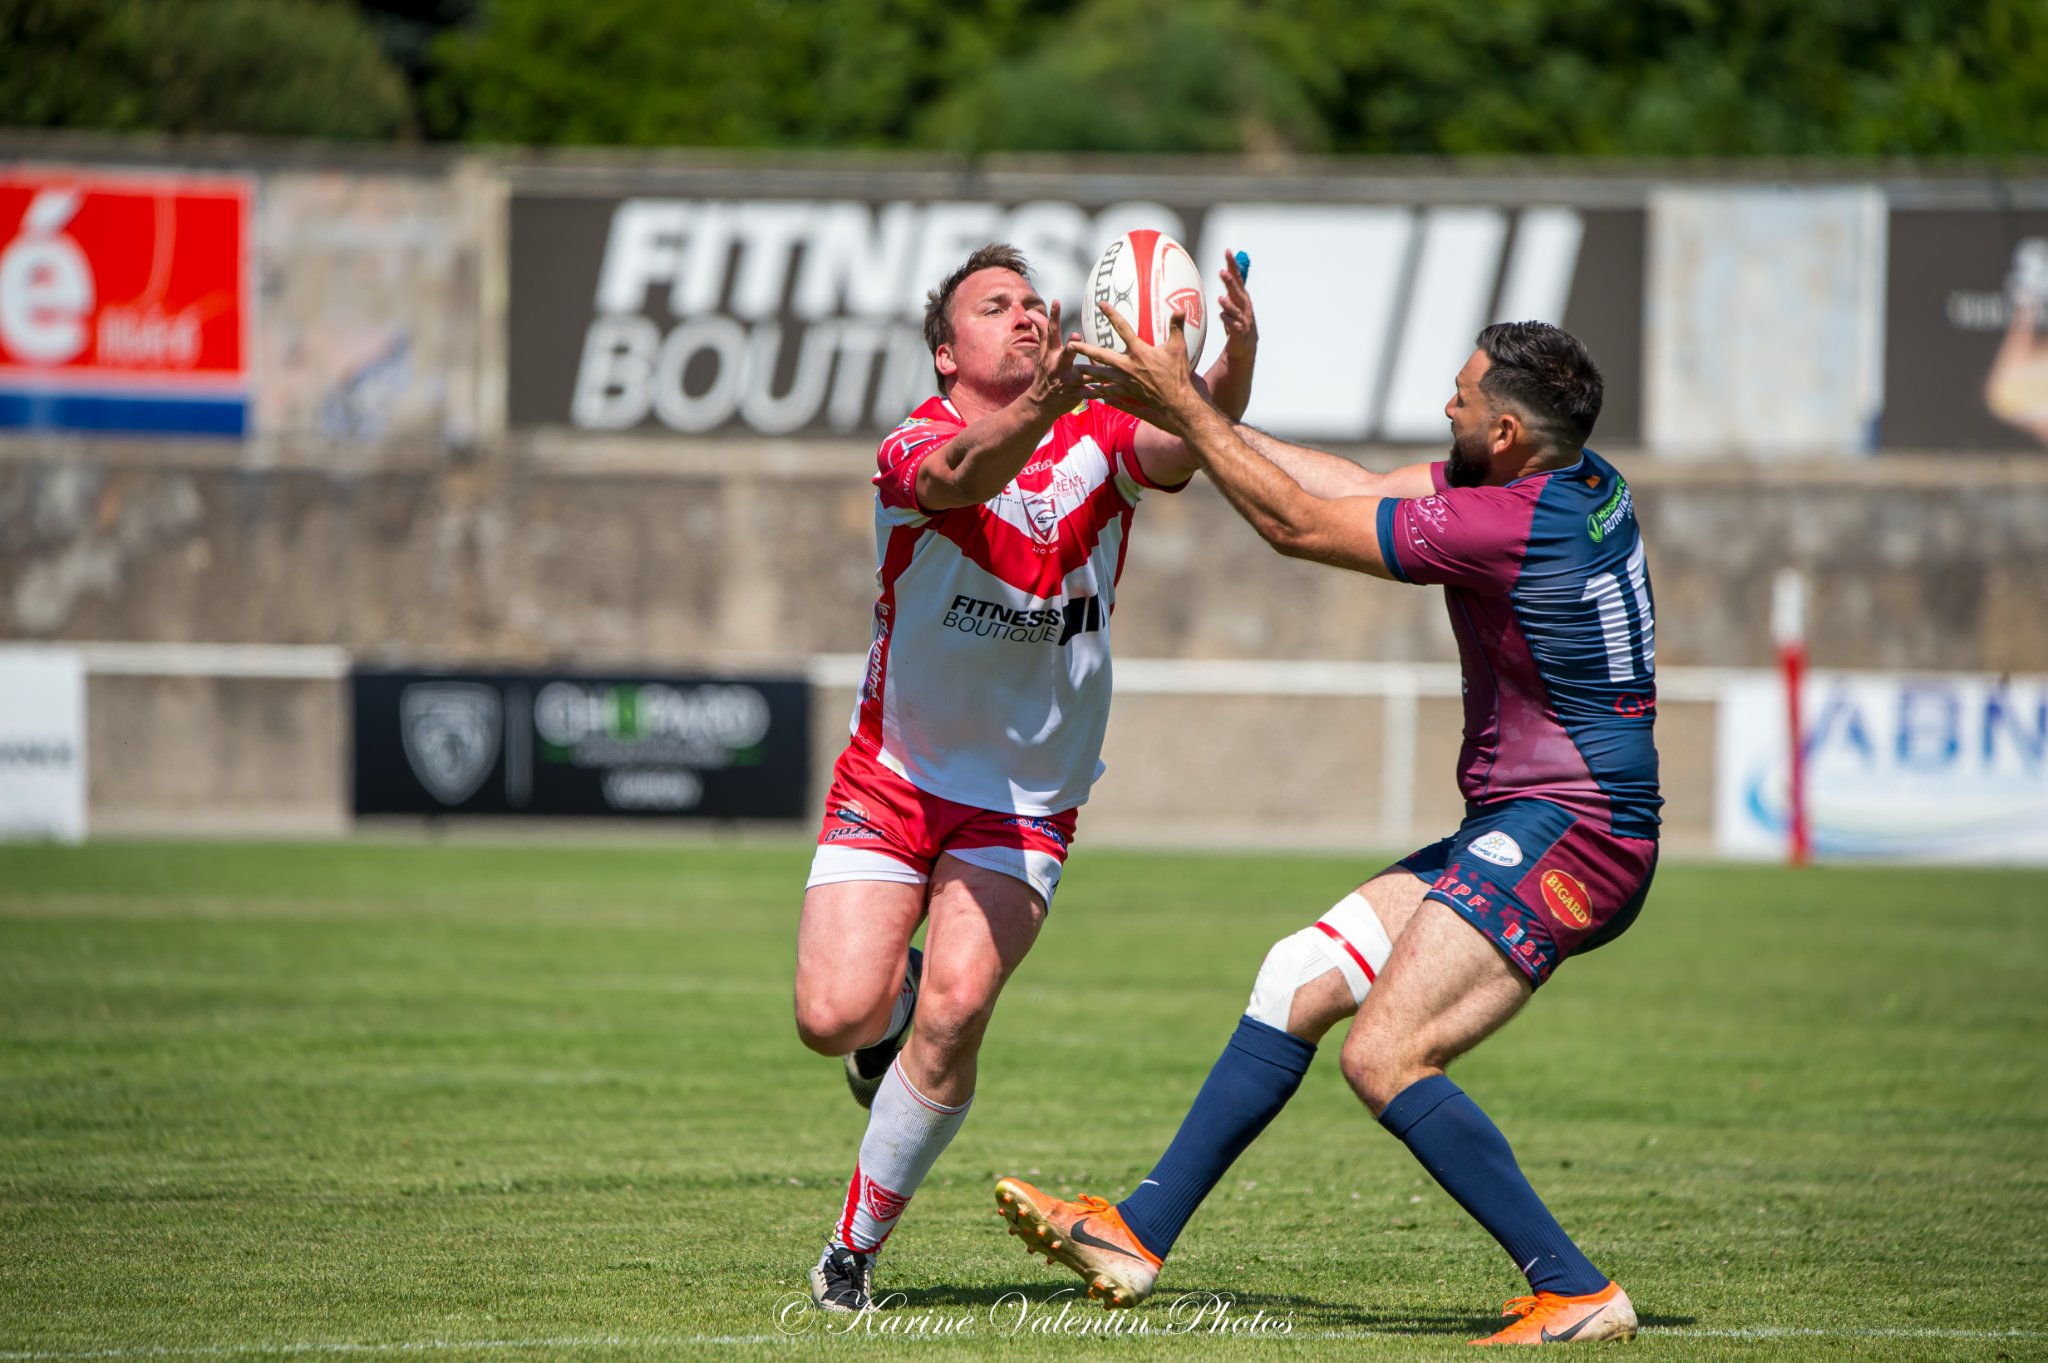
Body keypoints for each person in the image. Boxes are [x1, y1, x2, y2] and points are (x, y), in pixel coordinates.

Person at [994, 313, 1658, 1347]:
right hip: (1542, 819)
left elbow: (1300, 527)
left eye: (1463, 397)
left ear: (1507, 436)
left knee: (1385, 1055)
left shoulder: (1508, 524)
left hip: (1573, 836)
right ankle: (1135, 1232)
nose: (1446, 405)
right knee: (1296, 976)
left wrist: (1182, 413)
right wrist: (1195, 411)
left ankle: (1573, 1289)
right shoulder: (1564, 482)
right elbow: (1349, 487)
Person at [794, 243, 1260, 1312]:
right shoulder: (916, 443)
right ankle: (890, 998)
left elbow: (1190, 438)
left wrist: (1228, 354)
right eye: (991, 307)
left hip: (1027, 796)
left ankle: (851, 1251)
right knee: (832, 1015)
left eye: (1031, 305)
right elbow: (965, 476)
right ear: (945, 352)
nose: (1022, 316)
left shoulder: (1097, 435)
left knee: (956, 1012)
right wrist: (1046, 406)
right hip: (897, 775)